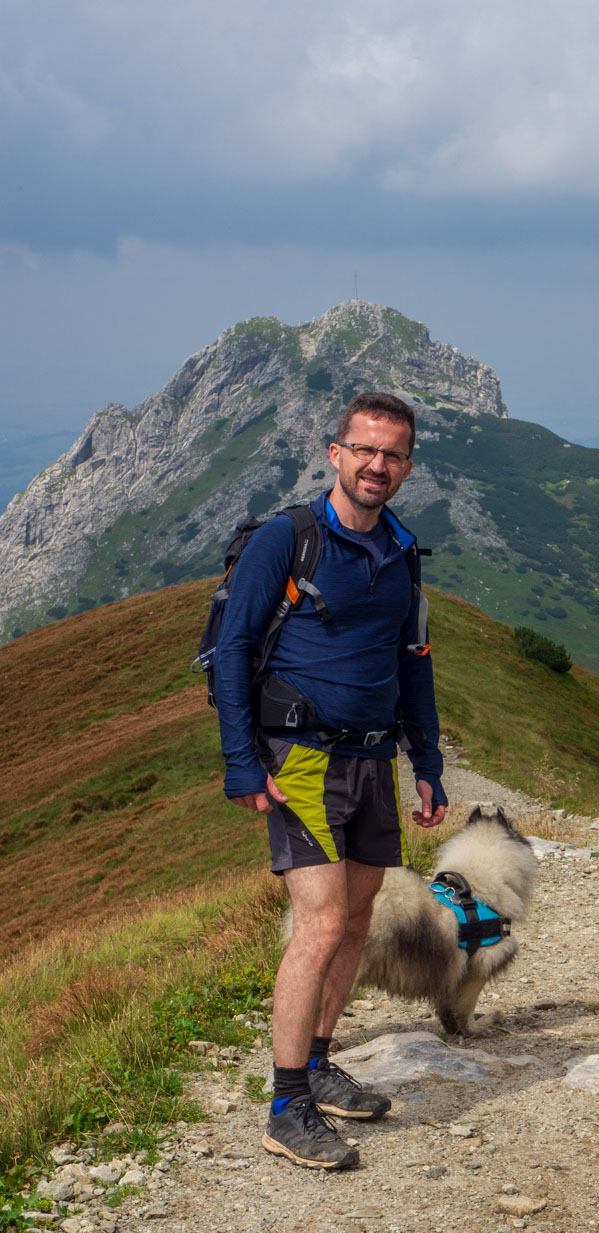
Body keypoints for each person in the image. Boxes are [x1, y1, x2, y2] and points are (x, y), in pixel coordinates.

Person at [214, 391, 447, 1171]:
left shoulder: (402, 551)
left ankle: (317, 1060)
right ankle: (285, 1106)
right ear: (335, 453)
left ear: (406, 467)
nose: (377, 465)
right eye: (365, 449)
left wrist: (429, 764)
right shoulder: (287, 539)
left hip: (374, 758)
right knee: (317, 924)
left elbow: (412, 664)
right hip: (300, 759)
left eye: (393, 454)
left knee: (355, 921)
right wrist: (244, 763)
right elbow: (235, 649)